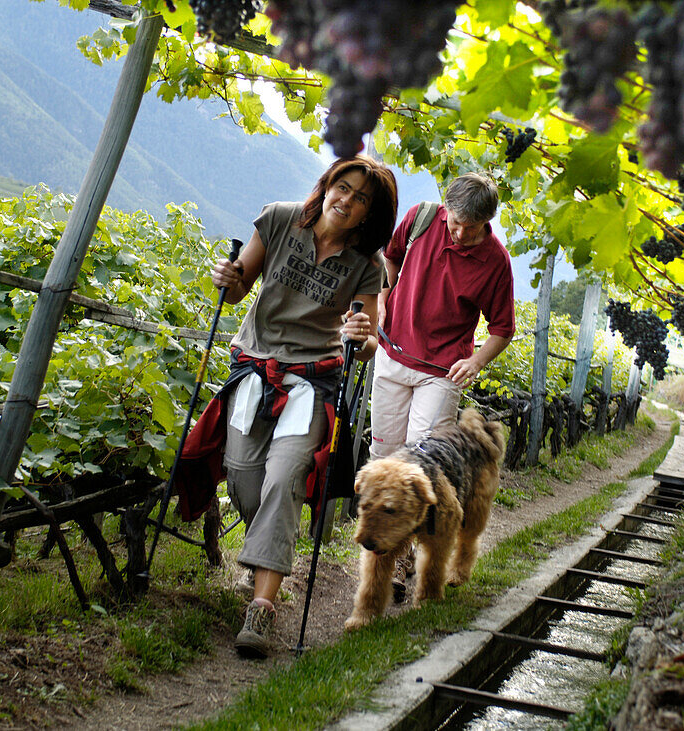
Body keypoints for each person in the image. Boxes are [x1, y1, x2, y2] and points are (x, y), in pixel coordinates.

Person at [174, 155, 398, 659]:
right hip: (253, 369)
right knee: (243, 477)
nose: (348, 201)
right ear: (327, 185)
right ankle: (267, 561)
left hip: (313, 382)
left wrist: (362, 336)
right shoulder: (278, 218)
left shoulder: (367, 264)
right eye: (344, 187)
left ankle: (262, 607)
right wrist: (227, 278)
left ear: (370, 213)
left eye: (362, 198)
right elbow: (237, 292)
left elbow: (366, 345)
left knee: (286, 477)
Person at [371, 171, 515, 460]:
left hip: (441, 372)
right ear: (446, 208)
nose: (461, 234)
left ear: (487, 221)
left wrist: (476, 361)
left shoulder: (496, 262)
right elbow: (390, 258)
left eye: (471, 227)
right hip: (391, 354)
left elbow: (502, 328)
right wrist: (381, 300)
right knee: (383, 454)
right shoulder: (420, 218)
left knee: (423, 459)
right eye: (456, 223)